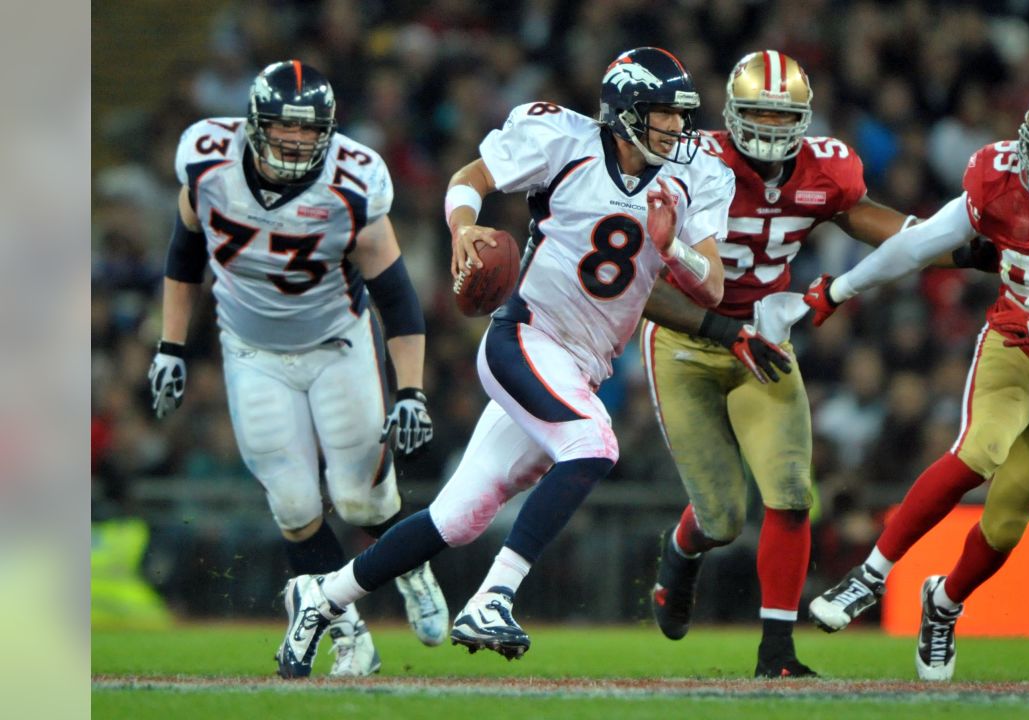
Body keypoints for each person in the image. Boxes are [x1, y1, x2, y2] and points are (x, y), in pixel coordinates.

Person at [273, 47, 733, 679]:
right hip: (526, 336)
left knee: (456, 518)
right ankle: (493, 599)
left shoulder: (696, 174)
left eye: (680, 116)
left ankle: (321, 596)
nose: (676, 129)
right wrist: (464, 229)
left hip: (581, 365)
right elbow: (470, 178)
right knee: (593, 444)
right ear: (626, 110)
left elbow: (711, 286)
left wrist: (671, 245)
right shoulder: (563, 139)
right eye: (661, 115)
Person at [639, 50, 994, 678]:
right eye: (758, 115)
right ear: (731, 113)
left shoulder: (826, 167)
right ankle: (683, 550)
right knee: (721, 516)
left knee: (792, 493)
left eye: (784, 117)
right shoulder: (692, 161)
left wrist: (955, 251)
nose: (772, 131)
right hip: (688, 341)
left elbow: (872, 224)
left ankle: (777, 652)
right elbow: (645, 272)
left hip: (765, 342)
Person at [805, 82, 1029, 681]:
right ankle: (869, 575)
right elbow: (917, 244)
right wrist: (838, 290)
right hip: (1013, 347)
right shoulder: (997, 176)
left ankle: (943, 604)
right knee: (979, 451)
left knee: (1004, 524)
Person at [148, 60, 449, 677]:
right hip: (251, 350)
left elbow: (397, 297)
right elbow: (184, 261)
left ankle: (409, 562)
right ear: (253, 125)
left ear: (330, 132)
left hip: (337, 344)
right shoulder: (206, 163)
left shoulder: (352, 181)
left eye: (311, 131)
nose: (295, 141)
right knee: (290, 502)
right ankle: (350, 637)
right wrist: (170, 347)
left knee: (359, 500)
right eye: (284, 127)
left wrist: (412, 391)